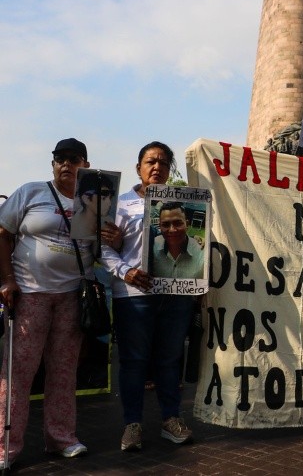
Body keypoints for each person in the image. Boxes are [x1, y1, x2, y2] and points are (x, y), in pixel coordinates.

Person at [0, 138, 116, 465]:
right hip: (30, 295)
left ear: (85, 165)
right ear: (52, 164)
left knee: (64, 373)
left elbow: (102, 249)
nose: (65, 164)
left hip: (70, 296)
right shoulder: (31, 192)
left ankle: (61, 439)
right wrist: (7, 279)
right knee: (19, 372)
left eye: (73, 158)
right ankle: (6, 446)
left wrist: (113, 236)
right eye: (59, 158)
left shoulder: (95, 202)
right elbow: (3, 233)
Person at [101, 142, 195, 452]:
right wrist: (125, 271)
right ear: (138, 167)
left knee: (169, 360)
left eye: (164, 163)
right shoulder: (119, 204)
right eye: (150, 162)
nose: (157, 167)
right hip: (134, 295)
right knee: (134, 362)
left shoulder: (184, 205)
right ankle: (132, 424)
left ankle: (171, 419)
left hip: (174, 293)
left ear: (170, 169)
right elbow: (101, 247)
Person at [151, 202, 204, 279]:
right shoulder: (151, 247)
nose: (172, 230)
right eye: (166, 224)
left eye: (178, 223)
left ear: (187, 224)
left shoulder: (202, 251)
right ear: (160, 226)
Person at [71, 171, 116, 240]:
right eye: (103, 198)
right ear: (87, 199)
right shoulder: (72, 224)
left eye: (110, 198)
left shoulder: (108, 221)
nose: (109, 203)